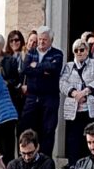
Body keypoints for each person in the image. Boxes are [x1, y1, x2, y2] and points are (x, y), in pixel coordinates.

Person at [59, 37, 94, 168]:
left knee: (92, 135)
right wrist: (74, 93)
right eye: (76, 50)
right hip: (74, 108)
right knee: (73, 137)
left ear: (87, 50)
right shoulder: (69, 66)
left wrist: (86, 91)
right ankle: (73, 163)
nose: (79, 52)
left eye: (82, 49)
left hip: (91, 108)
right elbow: (62, 82)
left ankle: (92, 162)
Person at [19, 26, 64, 157]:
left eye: (45, 39)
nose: (41, 42)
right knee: (28, 126)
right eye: (39, 39)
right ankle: (28, 155)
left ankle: (45, 159)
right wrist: (44, 70)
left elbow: (54, 69)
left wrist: (36, 66)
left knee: (48, 129)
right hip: (32, 96)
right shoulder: (31, 52)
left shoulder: (57, 53)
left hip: (50, 97)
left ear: (51, 40)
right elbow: (26, 69)